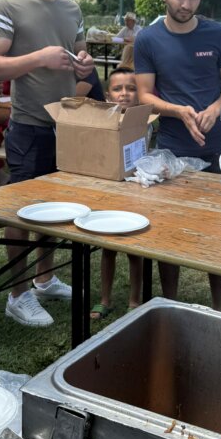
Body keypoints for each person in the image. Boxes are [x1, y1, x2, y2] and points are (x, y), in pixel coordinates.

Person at [0, 0, 95, 327]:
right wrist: (38, 58)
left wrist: (84, 63)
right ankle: (17, 294)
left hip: (65, 125)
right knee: (23, 213)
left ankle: (44, 278)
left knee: (56, 208)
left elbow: (79, 54)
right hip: (28, 124)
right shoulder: (8, 4)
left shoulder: (71, 8)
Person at [134, 0, 221, 310]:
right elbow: (144, 96)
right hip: (172, 149)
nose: (186, 4)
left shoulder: (218, 33)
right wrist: (178, 110)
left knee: (218, 230)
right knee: (170, 232)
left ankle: (218, 306)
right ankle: (170, 304)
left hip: (217, 148)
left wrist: (215, 108)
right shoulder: (148, 39)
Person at [91, 68, 144, 319]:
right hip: (109, 193)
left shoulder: (146, 122)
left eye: (131, 88)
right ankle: (105, 299)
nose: (124, 94)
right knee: (108, 247)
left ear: (139, 94)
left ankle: (134, 301)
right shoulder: (101, 124)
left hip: (136, 193)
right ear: (107, 95)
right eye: (117, 89)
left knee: (134, 248)